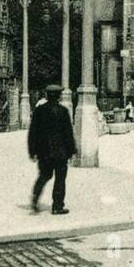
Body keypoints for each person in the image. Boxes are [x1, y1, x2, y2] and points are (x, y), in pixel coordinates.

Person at [28, 83, 77, 215]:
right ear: (58, 97)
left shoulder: (39, 111)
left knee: (44, 175)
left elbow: (33, 133)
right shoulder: (63, 111)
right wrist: (72, 151)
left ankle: (35, 198)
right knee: (60, 179)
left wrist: (32, 151)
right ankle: (57, 206)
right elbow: (68, 133)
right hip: (60, 153)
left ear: (47, 96)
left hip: (44, 152)